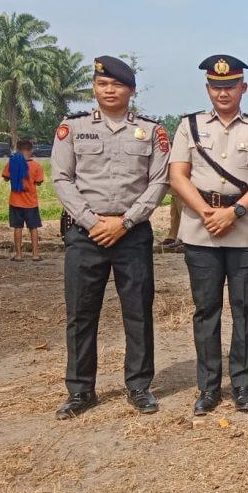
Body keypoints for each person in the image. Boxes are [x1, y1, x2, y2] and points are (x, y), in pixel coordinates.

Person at [50, 56, 170, 419]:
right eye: (103, 84)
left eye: (117, 84)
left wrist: (126, 221)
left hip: (132, 234)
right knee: (81, 313)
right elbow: (61, 179)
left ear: (131, 90)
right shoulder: (73, 129)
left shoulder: (151, 131)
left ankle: (138, 385)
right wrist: (91, 222)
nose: (109, 90)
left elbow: (158, 183)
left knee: (138, 312)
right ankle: (80, 390)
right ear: (94, 88)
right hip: (86, 236)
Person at [169, 55, 248, 415]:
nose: (223, 92)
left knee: (245, 308)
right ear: (207, 89)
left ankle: (244, 385)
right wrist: (206, 213)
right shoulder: (189, 126)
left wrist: (235, 212)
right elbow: (178, 175)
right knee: (206, 310)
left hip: (244, 229)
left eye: (230, 85)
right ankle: (209, 387)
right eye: (216, 86)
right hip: (202, 232)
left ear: (242, 88)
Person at [2, 139, 45, 261]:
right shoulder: (36, 166)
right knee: (33, 228)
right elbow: (39, 182)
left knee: (17, 228)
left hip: (15, 202)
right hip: (31, 203)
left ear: (17, 150)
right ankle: (35, 254)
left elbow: (6, 178)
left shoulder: (11, 163)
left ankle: (18, 255)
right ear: (31, 151)